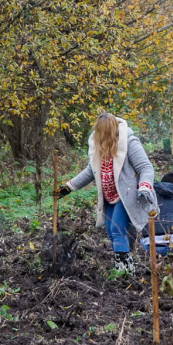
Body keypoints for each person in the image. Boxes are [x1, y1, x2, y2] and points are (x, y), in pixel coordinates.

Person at [58, 113, 158, 272]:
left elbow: (145, 167)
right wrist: (66, 189)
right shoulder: (98, 146)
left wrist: (145, 186)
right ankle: (125, 265)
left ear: (112, 131)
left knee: (116, 229)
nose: (101, 137)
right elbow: (90, 172)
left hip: (127, 194)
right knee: (110, 231)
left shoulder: (128, 142)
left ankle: (124, 270)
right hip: (109, 195)